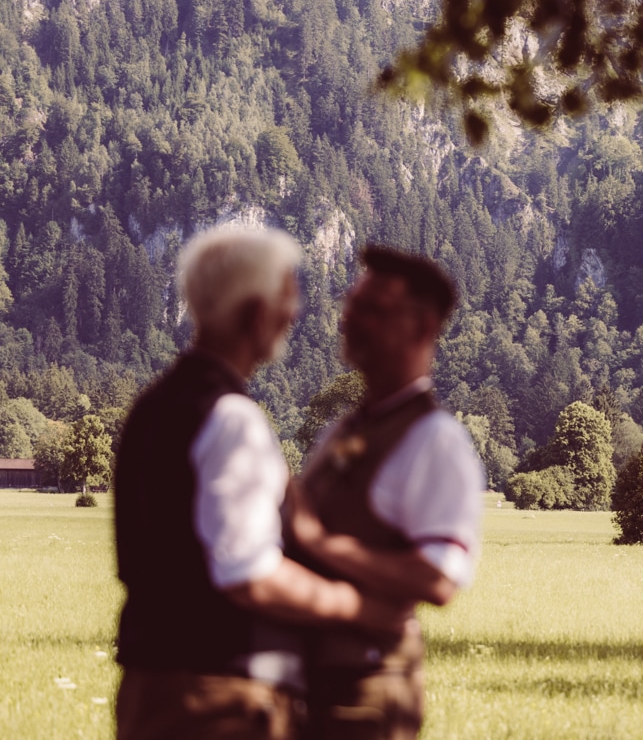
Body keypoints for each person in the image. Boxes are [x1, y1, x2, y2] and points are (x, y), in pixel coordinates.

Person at [114, 226, 408, 740]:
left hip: (152, 683)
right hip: (221, 698)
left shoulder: (151, 408)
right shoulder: (232, 418)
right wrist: (356, 607)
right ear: (254, 313)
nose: (294, 316)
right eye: (287, 300)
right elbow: (248, 573)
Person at [285, 246, 484, 740]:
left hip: (364, 695)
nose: (350, 319)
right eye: (352, 304)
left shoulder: (435, 442)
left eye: (372, 310)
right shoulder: (344, 430)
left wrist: (320, 543)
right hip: (307, 683)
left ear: (420, 329)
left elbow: (439, 578)